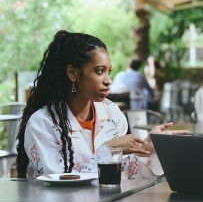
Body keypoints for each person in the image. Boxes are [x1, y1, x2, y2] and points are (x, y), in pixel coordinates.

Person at [16, 30, 187, 179]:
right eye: (99, 71)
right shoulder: (42, 124)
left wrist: (148, 149)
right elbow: (56, 185)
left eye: (108, 71)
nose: (108, 80)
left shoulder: (112, 114)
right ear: (72, 73)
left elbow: (125, 174)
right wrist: (108, 149)